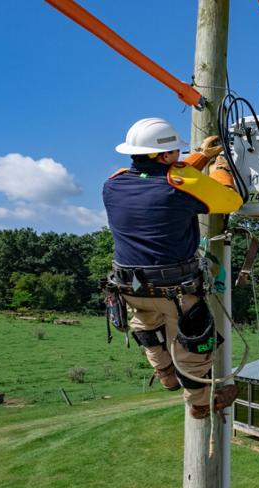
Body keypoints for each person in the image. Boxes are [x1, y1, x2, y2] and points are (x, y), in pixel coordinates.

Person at [102, 116, 243, 419]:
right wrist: (220, 168)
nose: (180, 156)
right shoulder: (179, 186)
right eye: (176, 152)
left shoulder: (113, 183)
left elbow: (161, 179)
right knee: (192, 347)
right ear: (165, 154)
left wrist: (201, 156)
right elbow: (230, 201)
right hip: (174, 290)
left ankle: (165, 373)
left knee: (148, 328)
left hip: (130, 287)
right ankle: (201, 403)